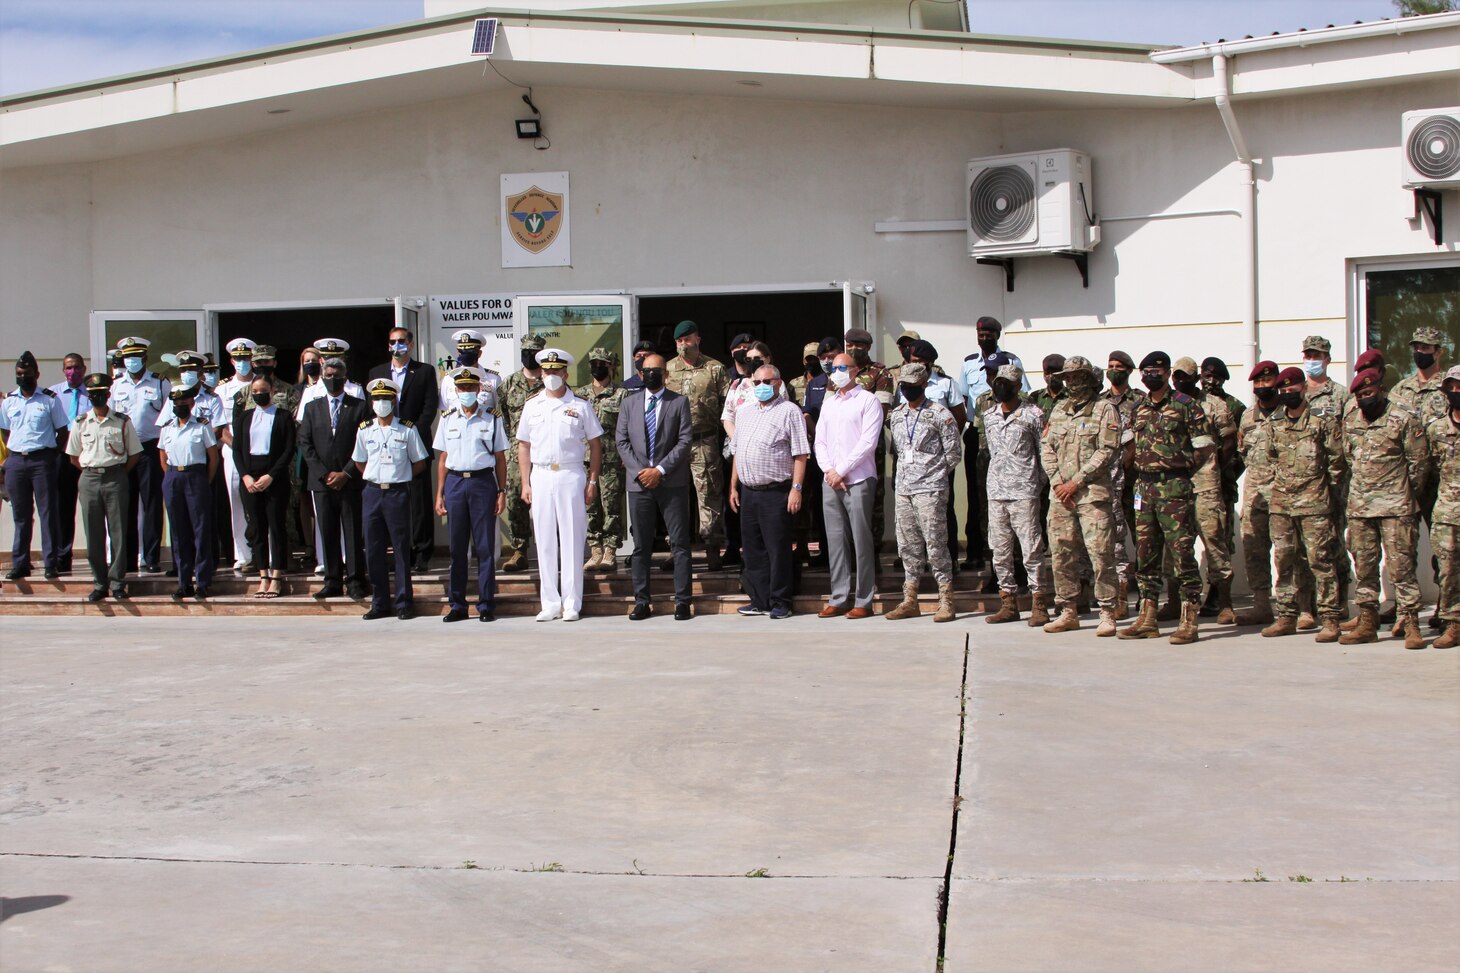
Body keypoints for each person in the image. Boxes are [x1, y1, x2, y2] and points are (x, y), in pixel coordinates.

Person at [1118, 351, 1213, 644]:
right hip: (1144, 490)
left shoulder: (1187, 407)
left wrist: (1178, 469)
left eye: (1156, 371)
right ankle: (1147, 617)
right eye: (1145, 371)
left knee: (1182, 554)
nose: (1150, 375)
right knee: (1146, 555)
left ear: (1167, 373)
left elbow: (1204, 448)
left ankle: (1189, 618)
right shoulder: (1138, 408)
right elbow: (1130, 446)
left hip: (1174, 489)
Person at [1339, 368, 1429, 648]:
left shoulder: (1402, 418)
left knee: (1401, 567)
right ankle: (1367, 620)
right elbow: (1348, 457)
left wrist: (1403, 493)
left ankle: (1411, 621)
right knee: (1364, 567)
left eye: (1369, 393)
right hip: (1361, 508)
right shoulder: (1351, 420)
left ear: (1381, 389)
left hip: (1396, 507)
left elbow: (1419, 462)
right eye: (1360, 395)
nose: (1365, 399)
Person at [1260, 367, 1347, 642]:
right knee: (1283, 561)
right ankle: (1286, 616)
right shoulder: (1274, 422)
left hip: (1315, 504)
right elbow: (1271, 457)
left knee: (1321, 561)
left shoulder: (1322, 421)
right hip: (1282, 504)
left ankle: (1330, 619)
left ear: (1304, 390)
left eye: (1292, 390)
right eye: (1283, 391)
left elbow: (1337, 461)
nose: (1287, 395)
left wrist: (1324, 492)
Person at [518, 348, 604, 622]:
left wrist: (592, 480)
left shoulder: (580, 405)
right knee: (544, 540)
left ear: (566, 373)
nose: (551, 376)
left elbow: (595, 445)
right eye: (547, 371)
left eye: (556, 371)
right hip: (541, 475)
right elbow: (523, 446)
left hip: (570, 474)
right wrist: (525, 482)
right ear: (541, 373)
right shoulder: (532, 405)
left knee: (572, 539)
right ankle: (550, 602)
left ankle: (571, 601)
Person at [1040, 356, 1121, 636]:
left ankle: (1108, 611)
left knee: (1101, 553)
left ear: (1090, 379)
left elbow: (1107, 451)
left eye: (1078, 376)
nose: (1072, 382)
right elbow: (1047, 447)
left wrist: (1075, 482)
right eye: (1069, 377)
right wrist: (1057, 481)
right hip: (1060, 496)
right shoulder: (1059, 409)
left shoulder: (1104, 409)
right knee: (1061, 554)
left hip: (1091, 495)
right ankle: (1068, 611)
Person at [729, 363, 810, 620]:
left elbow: (800, 453)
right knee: (753, 550)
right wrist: (733, 485)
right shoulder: (744, 412)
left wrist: (796, 489)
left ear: (777, 382)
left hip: (776, 492)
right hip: (749, 490)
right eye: (757, 383)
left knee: (778, 549)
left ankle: (781, 601)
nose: (762, 387)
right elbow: (737, 451)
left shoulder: (789, 411)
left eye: (767, 382)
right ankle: (759, 599)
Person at [618, 353, 694, 620]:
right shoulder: (629, 403)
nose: (651, 374)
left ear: (666, 374)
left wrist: (659, 470)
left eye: (657, 370)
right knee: (641, 545)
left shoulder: (679, 402)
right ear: (640, 374)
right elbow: (622, 442)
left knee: (680, 544)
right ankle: (642, 601)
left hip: (671, 482)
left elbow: (684, 441)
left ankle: (683, 600)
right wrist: (642, 472)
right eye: (646, 370)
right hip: (639, 484)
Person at [884, 362, 961, 623]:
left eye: (912, 386)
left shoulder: (941, 414)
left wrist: (933, 474)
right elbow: (896, 451)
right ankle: (910, 599)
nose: (906, 390)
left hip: (931, 489)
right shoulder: (896, 415)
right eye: (903, 386)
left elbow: (953, 454)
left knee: (936, 545)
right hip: (905, 489)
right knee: (907, 545)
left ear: (924, 385)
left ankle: (946, 600)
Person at [434, 368, 508, 623]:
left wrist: (502, 490)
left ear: (478, 389)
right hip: (455, 483)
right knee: (457, 548)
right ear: (456, 391)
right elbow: (442, 458)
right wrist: (440, 493)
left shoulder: (492, 418)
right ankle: (458, 605)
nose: (466, 392)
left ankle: (486, 604)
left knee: (485, 547)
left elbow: (500, 458)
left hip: (482, 483)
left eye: (470, 388)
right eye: (461, 388)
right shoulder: (447, 419)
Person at [815, 352, 884, 619]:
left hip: (858, 478)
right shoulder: (830, 403)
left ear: (855, 370)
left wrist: (841, 470)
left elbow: (868, 443)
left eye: (842, 367)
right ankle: (839, 596)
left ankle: (863, 599)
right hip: (831, 479)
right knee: (835, 540)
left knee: (861, 538)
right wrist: (829, 470)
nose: (837, 372)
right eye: (834, 368)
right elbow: (820, 440)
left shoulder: (868, 401)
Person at [981, 362, 1052, 626]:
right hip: (996, 492)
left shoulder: (1033, 414)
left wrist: (1036, 483)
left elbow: (1043, 454)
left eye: (1006, 384)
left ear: (1018, 387)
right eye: (997, 382)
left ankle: (1039, 603)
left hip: (1024, 492)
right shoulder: (989, 416)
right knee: (999, 550)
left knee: (1031, 549)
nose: (1000, 387)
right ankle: (1008, 602)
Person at [353, 378, 429, 620]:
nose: (381, 403)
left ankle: (404, 602)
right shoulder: (365, 429)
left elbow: (419, 463)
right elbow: (359, 460)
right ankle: (380, 603)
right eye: (377, 399)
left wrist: (400, 476)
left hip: (397, 492)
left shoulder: (407, 428)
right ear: (371, 402)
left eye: (386, 398)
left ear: (394, 401)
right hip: (373, 491)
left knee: (400, 549)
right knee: (373, 549)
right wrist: (375, 477)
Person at [1170, 356, 1238, 624]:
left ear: (1196, 378)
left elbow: (1229, 438)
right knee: (1175, 546)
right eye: (1176, 376)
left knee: (1215, 543)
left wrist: (1216, 467)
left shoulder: (1214, 404)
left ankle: (1225, 603)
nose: (1179, 381)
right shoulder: (1168, 403)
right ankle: (1176, 602)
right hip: (1176, 486)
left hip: (1207, 484)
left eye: (1185, 376)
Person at [297, 354, 370, 600]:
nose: (332, 379)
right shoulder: (311, 407)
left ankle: (356, 580)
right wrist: (324, 473)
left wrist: (346, 472)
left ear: (344, 378)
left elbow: (364, 443)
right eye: (328, 376)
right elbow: (305, 443)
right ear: (322, 377)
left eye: (337, 376)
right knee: (327, 532)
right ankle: (332, 580)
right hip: (322, 481)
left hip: (350, 480)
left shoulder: (359, 406)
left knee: (352, 531)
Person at [959, 316, 1029, 570]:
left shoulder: (1011, 360)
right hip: (978, 434)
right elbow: (964, 398)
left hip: (1007, 439)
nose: (984, 336)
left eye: (989, 332)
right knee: (977, 497)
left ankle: (1015, 562)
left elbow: (1024, 395)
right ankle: (977, 552)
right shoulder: (969, 363)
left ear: (998, 335)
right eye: (980, 332)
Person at [1393, 326, 1450, 630]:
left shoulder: (1449, 386)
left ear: (1438, 351)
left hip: (1442, 479)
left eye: (1427, 349)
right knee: (1402, 547)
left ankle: (1447, 605)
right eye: (1417, 347)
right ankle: (1406, 609)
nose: (1421, 353)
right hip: (1408, 480)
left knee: (1445, 548)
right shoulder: (1401, 390)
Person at [368, 327, 439, 573]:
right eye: (392, 342)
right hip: (386, 446)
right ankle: (400, 551)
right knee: (393, 501)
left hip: (415, 443)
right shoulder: (376, 373)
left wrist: (409, 435)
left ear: (410, 344)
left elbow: (429, 408)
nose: (396, 345)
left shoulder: (424, 371)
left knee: (419, 500)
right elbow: (374, 410)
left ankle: (422, 552)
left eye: (401, 341)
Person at [66, 372, 142, 600]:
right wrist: (93, 472)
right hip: (89, 478)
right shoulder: (80, 422)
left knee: (118, 532)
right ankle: (99, 583)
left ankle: (118, 582)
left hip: (115, 477)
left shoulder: (122, 421)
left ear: (108, 395)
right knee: (93, 534)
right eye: (92, 395)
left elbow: (134, 454)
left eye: (100, 394)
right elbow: (73, 456)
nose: (97, 398)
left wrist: (117, 473)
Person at [665, 321, 730, 571]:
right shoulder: (668, 369)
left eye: (688, 339)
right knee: (675, 498)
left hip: (705, 440)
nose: (684, 344)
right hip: (674, 445)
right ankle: (676, 550)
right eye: (679, 341)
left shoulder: (714, 368)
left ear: (697, 339)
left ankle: (712, 548)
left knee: (709, 494)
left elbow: (728, 406)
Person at [1, 350, 70, 581]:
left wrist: (51, 454)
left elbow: (62, 431)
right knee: (21, 515)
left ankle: (51, 563)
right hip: (16, 461)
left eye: (27, 373)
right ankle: (21, 563)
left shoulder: (49, 399)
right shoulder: (9, 401)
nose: (23, 377)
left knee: (47, 512)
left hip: (42, 461)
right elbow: (4, 430)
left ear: (36, 374)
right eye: (19, 374)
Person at [110, 336, 170, 573]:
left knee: (152, 505)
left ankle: (152, 557)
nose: (131, 361)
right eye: (127, 358)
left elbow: (168, 418)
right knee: (126, 505)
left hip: (150, 449)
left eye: (136, 357)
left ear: (145, 358)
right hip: (124, 451)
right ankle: (127, 558)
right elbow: (113, 419)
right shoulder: (116, 385)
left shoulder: (160, 383)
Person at [233, 374, 295, 599]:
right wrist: (245, 477)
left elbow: (289, 450)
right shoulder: (244, 418)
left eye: (263, 390)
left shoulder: (283, 416)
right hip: (250, 477)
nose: (260, 394)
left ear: (271, 390)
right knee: (257, 527)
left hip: (274, 477)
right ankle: (263, 575)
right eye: (256, 391)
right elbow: (237, 450)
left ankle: (277, 576)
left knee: (276, 527)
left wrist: (271, 475)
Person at [157, 384, 220, 600]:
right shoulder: (167, 427)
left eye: (183, 404)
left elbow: (213, 458)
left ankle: (202, 581)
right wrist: (171, 477)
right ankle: (184, 582)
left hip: (196, 476)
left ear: (191, 404)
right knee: (179, 531)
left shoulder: (201, 426)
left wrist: (205, 480)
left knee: (200, 530)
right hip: (174, 476)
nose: (179, 407)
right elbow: (163, 457)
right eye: (176, 404)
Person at [1234, 361, 1284, 626]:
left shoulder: (1290, 413)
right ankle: (1262, 604)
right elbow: (1243, 453)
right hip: (1255, 492)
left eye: (1268, 382)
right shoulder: (1247, 417)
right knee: (1254, 550)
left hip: (1284, 492)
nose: (1263, 387)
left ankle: (1294, 607)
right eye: (1259, 383)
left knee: (1288, 552)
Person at [576, 347, 629, 573]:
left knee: (611, 507)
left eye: (602, 363)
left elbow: (628, 428)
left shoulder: (622, 394)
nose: (597, 367)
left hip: (612, 460)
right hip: (584, 461)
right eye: (594, 363)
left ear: (611, 366)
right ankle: (595, 549)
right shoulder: (579, 395)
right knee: (590, 507)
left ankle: (609, 550)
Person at [843, 327, 894, 562]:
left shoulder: (880, 373)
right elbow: (830, 411)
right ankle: (850, 553)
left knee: (872, 501)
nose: (853, 349)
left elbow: (881, 411)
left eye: (859, 346)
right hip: (842, 448)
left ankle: (872, 553)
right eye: (849, 344)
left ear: (868, 348)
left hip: (870, 447)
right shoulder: (840, 372)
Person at [499, 333, 545, 572]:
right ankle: (519, 551)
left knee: (547, 502)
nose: (528, 356)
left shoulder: (550, 381)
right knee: (516, 502)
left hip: (545, 452)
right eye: (524, 351)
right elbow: (504, 420)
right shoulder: (508, 383)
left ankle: (551, 549)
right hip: (517, 454)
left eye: (533, 352)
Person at [1201, 355, 1244, 602]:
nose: (1211, 381)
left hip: (1223, 484)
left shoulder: (1235, 407)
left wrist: (1224, 472)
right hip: (1195, 485)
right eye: (1207, 376)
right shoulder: (1194, 403)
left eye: (1216, 377)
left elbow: (1241, 449)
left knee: (1221, 540)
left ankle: (1219, 593)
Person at [1102, 350, 1142, 616]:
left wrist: (1126, 466)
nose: (1114, 369)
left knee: (1143, 537)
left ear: (1129, 369)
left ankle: (1147, 594)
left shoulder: (1140, 400)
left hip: (1135, 481)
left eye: (1119, 366)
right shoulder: (1100, 402)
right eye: (1110, 365)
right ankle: (1120, 597)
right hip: (1108, 480)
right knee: (1114, 539)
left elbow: (1140, 439)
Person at [1424, 365, 1460, 649]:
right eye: (1452, 388)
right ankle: (1453, 624)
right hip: (1447, 512)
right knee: (1448, 572)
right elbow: (1429, 468)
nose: (1456, 393)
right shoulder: (1436, 429)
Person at [217, 337, 257, 573]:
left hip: (261, 454)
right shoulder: (222, 389)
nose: (243, 363)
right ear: (232, 361)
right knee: (236, 502)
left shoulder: (263, 384)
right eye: (239, 359)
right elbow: (220, 428)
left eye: (246, 358)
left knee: (261, 503)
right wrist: (239, 448)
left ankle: (265, 551)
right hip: (233, 451)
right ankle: (242, 553)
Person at [48, 352, 90, 574]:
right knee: (62, 509)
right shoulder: (52, 394)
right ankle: (63, 557)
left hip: (88, 457)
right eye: (68, 368)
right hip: (62, 457)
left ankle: (99, 557)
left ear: (84, 369)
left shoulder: (94, 393)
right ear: (63, 370)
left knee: (93, 508)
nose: (73, 372)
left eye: (77, 367)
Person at [438, 329, 501, 408]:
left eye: (470, 351)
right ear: (458, 353)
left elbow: (498, 409)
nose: (466, 355)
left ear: (479, 353)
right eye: (463, 351)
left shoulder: (493, 379)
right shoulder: (448, 379)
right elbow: (445, 409)